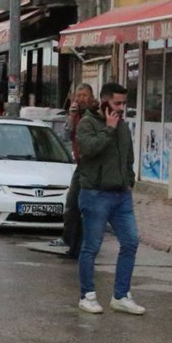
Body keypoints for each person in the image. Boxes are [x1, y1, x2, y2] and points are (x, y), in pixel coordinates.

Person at [76, 82, 143, 316]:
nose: (122, 107)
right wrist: (109, 129)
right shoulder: (87, 123)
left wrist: (129, 180)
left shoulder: (122, 125)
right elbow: (89, 149)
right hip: (95, 194)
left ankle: (121, 295)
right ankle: (87, 295)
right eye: (117, 103)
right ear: (104, 102)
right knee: (91, 247)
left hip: (121, 195)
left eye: (125, 103)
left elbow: (128, 156)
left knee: (131, 242)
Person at [50, 84, 93, 257]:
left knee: (85, 204)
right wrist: (71, 116)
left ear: (91, 97)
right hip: (81, 164)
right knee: (72, 203)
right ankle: (69, 239)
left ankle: (84, 241)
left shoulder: (95, 114)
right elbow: (64, 136)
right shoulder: (75, 115)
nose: (81, 98)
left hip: (92, 165)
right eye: (79, 95)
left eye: (85, 95)